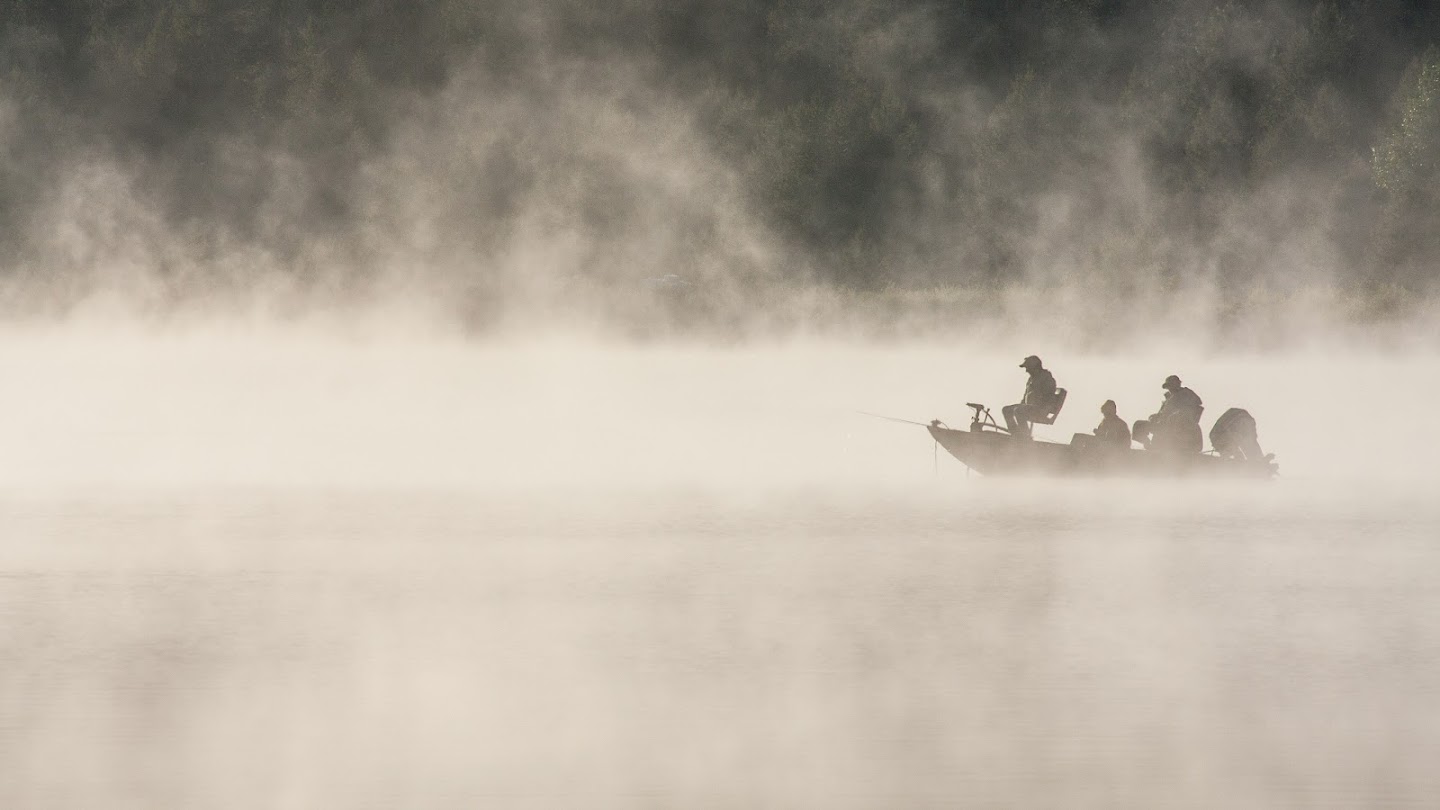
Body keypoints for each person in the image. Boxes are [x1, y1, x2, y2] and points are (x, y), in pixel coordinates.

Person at [1134, 375, 1204, 453]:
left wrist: (1177, 415)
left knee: (1172, 424)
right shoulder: (1169, 398)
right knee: (1139, 425)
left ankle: (1163, 446)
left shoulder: (1186, 395)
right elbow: (1161, 414)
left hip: (1179, 428)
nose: (1170, 388)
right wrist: (1154, 417)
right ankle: (1148, 444)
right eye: (1168, 386)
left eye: (1172, 385)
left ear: (1178, 384)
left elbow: (1195, 408)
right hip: (1164, 426)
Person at [1002, 355, 1058, 438]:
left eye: (1028, 367)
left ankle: (1025, 438)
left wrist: (1036, 406)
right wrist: (1022, 405)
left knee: (1019, 411)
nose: (1026, 370)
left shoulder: (1047, 379)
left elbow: (1049, 398)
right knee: (1006, 409)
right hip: (1029, 408)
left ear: (1035, 367)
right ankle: (1016, 435)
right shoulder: (1031, 379)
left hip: (1041, 409)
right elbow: (1025, 397)